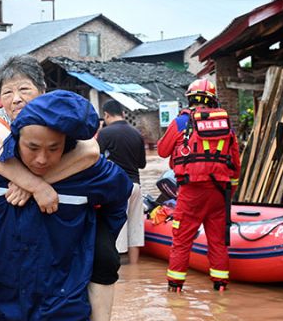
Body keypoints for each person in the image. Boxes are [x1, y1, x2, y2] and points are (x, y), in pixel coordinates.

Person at [0, 55, 122, 321]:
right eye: (7, 92)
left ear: (43, 92)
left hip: (65, 295)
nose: (16, 99)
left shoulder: (77, 148)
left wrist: (95, 241)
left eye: (25, 90)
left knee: (105, 255)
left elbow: (96, 160)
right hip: (12, 294)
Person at [157, 79, 241, 292]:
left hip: (190, 192)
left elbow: (162, 151)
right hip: (219, 193)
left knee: (182, 240)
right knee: (218, 241)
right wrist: (229, 193)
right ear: (212, 100)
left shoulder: (181, 122)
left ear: (190, 98)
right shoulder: (225, 124)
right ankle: (221, 286)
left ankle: (175, 289)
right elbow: (235, 164)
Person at [97, 100, 146, 264]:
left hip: (116, 187)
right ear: (123, 113)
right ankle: (134, 268)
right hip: (136, 186)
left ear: (106, 115)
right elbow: (142, 164)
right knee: (135, 227)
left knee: (117, 228)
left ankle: (122, 278)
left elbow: (95, 161)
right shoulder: (136, 133)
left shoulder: (105, 134)